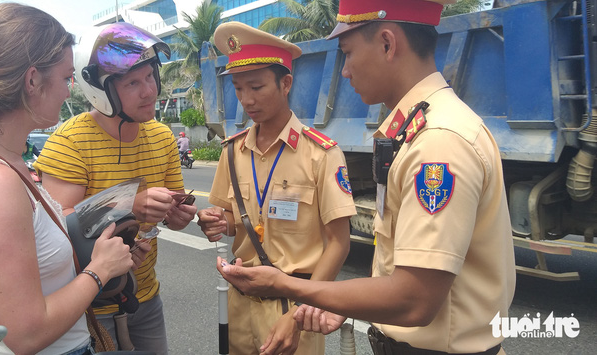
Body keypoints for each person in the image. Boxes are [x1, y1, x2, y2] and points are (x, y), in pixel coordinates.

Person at [215, 1, 517, 354]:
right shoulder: (417, 130)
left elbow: (414, 299)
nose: (344, 71)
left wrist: (289, 287)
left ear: (388, 43)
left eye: (348, 53)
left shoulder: (438, 141)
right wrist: (340, 302)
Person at [0, 3, 148, 354]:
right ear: (32, 80)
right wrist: (101, 270)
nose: (68, 90)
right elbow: (26, 333)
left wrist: (107, 253)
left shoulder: (3, 161)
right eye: (64, 77)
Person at [33, 22, 198, 355]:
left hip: (145, 295)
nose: (149, 91)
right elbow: (59, 226)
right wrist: (129, 208)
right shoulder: (70, 142)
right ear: (101, 89)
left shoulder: (163, 137)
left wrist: (179, 215)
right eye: (133, 82)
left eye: (151, 76)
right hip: (88, 305)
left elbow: (174, 217)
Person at [196, 22, 357, 355]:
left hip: (293, 308)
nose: (247, 100)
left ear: (285, 84)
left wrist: (299, 312)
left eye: (256, 86)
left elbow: (339, 243)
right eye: (239, 88)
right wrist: (215, 220)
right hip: (239, 305)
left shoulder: (321, 154)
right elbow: (233, 218)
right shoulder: (231, 151)